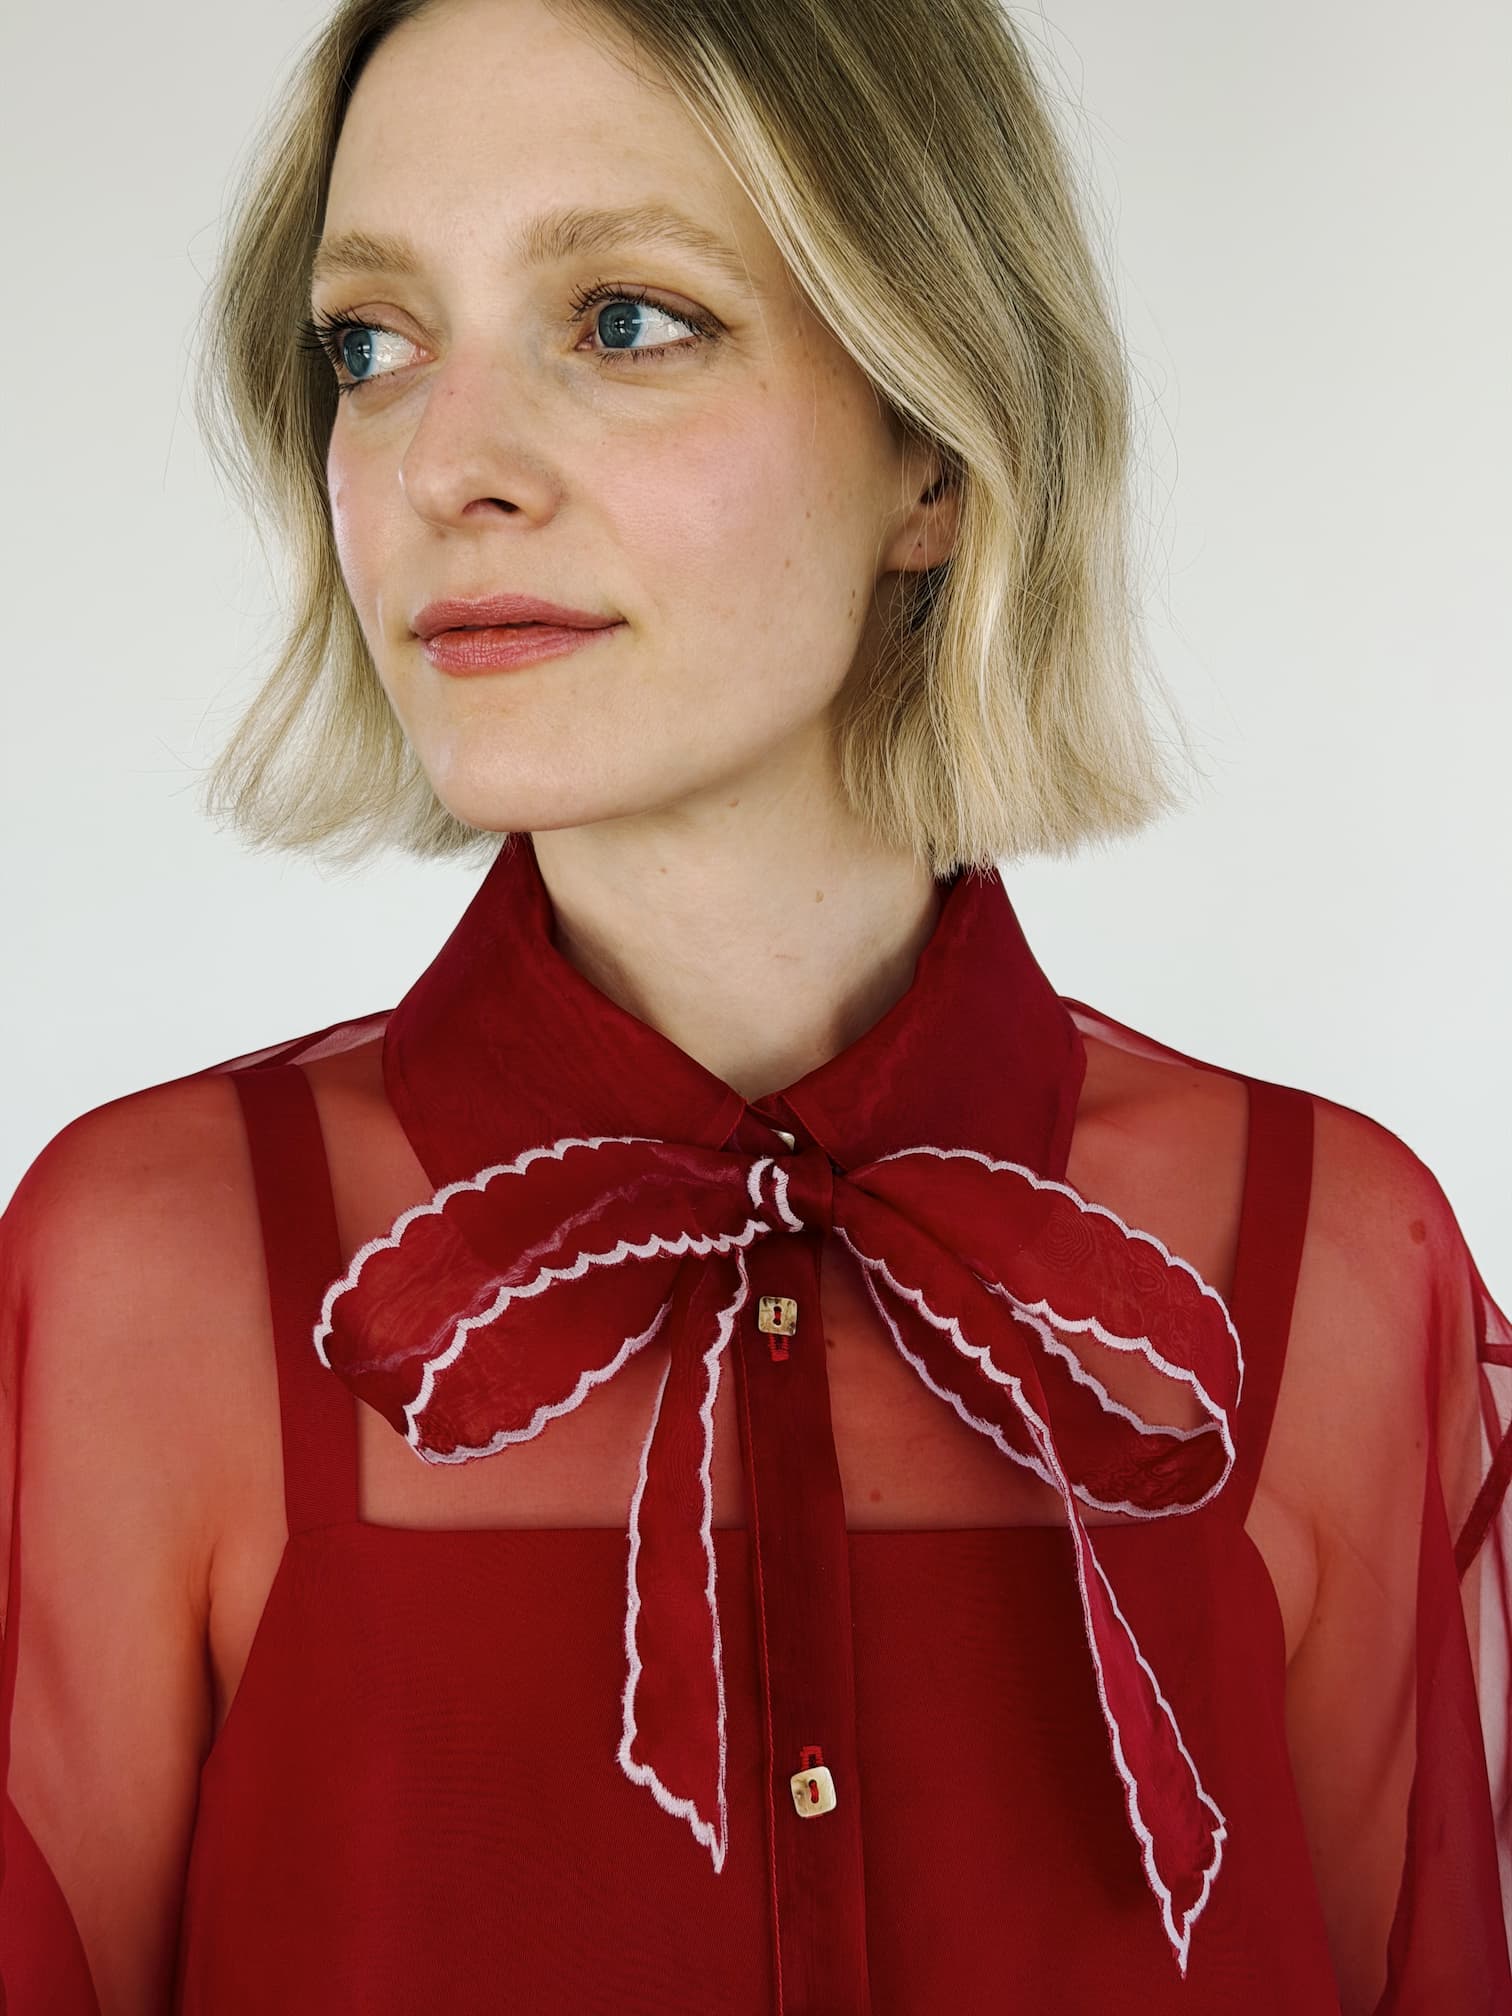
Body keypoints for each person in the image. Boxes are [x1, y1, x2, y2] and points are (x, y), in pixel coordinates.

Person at [2, 0, 1507, 2010]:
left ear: (937, 450)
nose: (449, 466)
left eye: (624, 319)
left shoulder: (1321, 1269)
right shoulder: (152, 1278)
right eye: (371, 342)